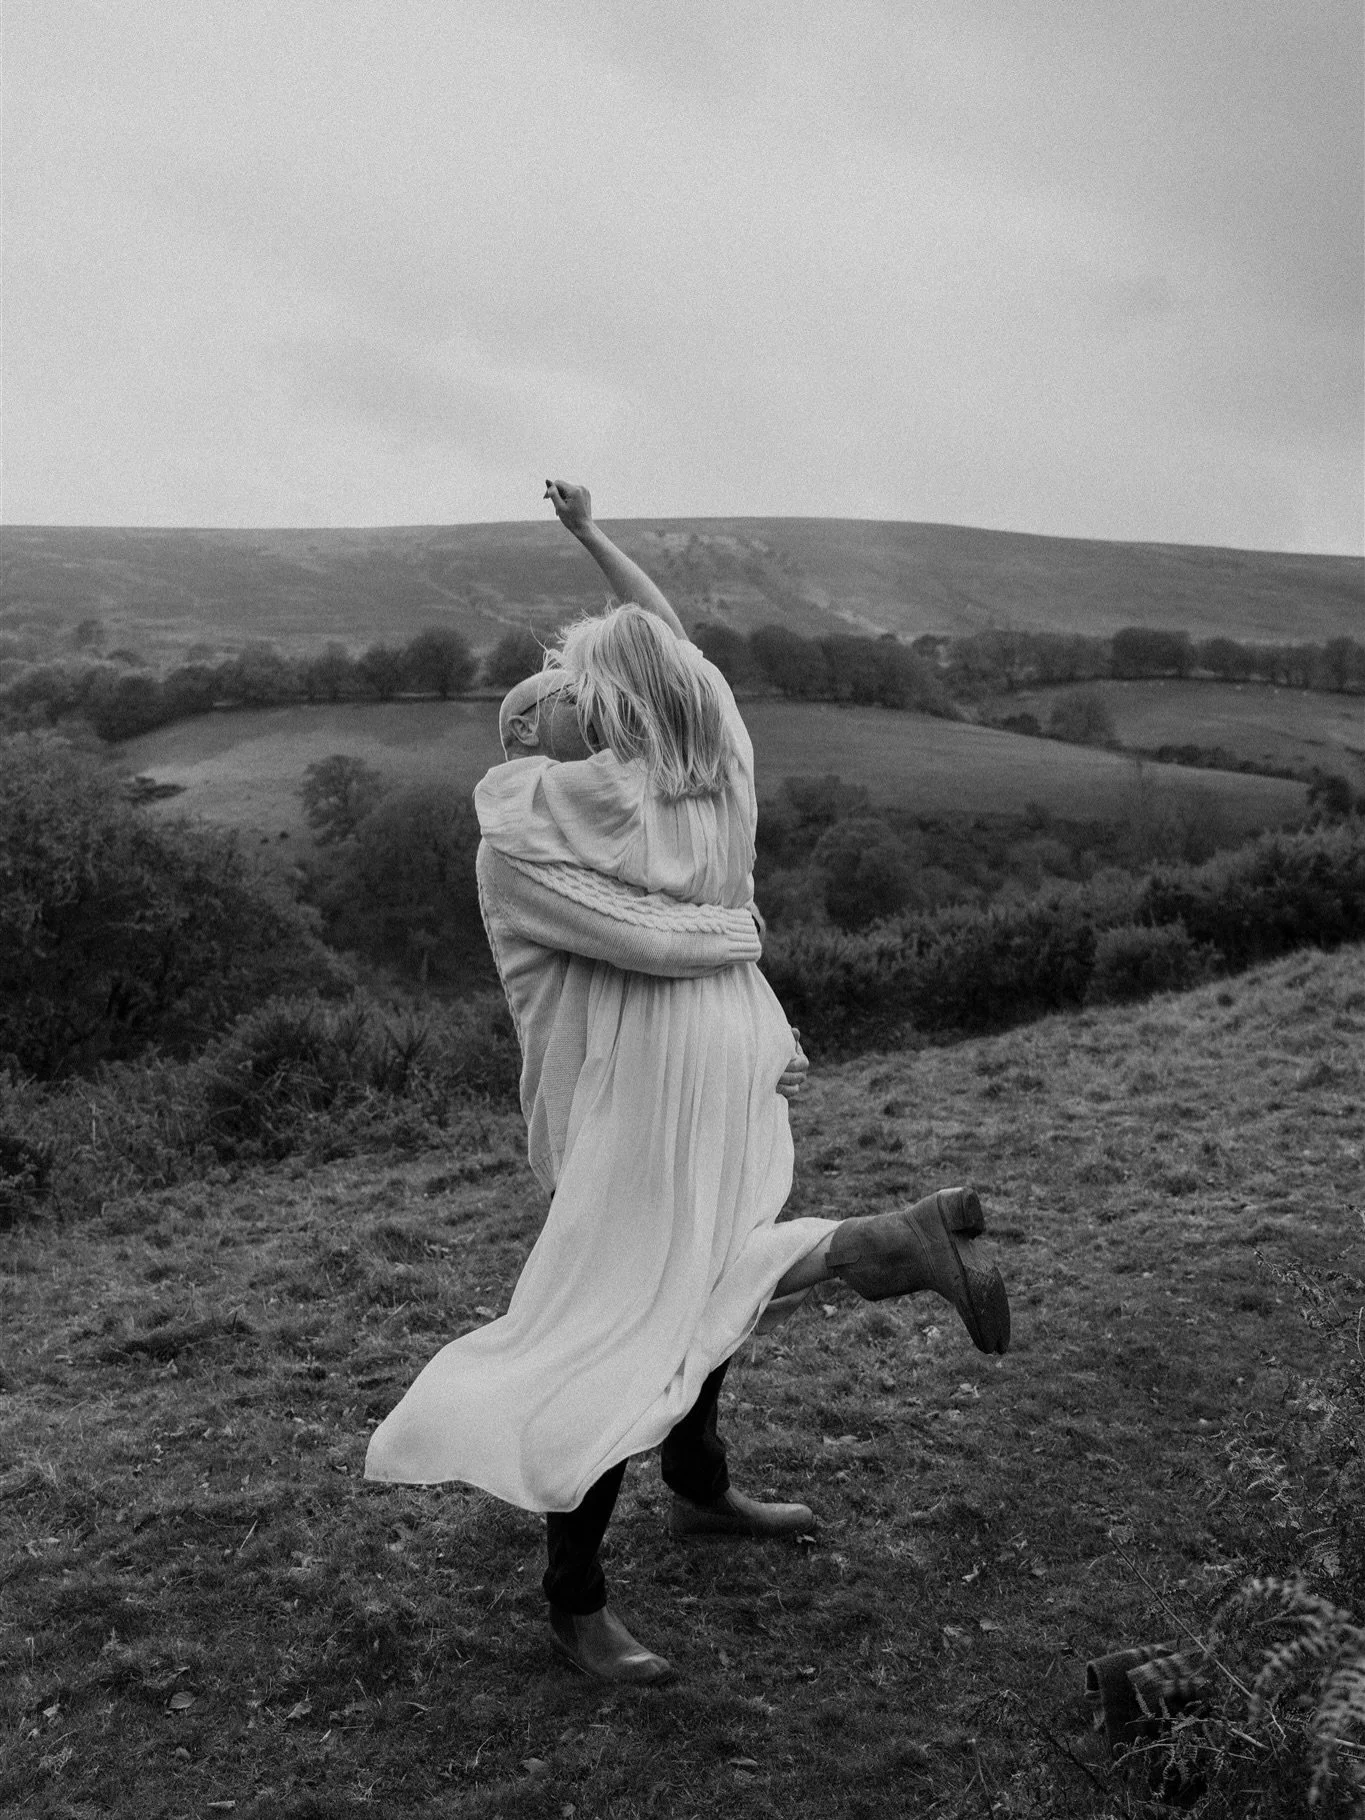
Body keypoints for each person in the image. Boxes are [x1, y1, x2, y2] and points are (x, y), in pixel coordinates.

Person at [366, 484, 1008, 1684]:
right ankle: (711, 1470)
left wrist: (543, 715)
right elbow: (663, 639)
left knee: (616, 1311)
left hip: (650, 1086)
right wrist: (591, 540)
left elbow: (625, 906)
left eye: (555, 692)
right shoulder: (718, 754)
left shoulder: (539, 817)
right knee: (705, 1264)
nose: (534, 710)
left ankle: (577, 1594)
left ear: (605, 709)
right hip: (732, 1044)